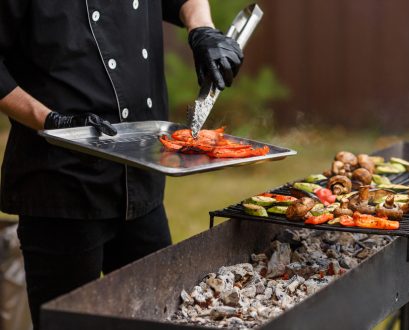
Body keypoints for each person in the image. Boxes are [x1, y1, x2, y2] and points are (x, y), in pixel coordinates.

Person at [0, 0, 243, 329]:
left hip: (141, 179)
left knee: (161, 313)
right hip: (62, 186)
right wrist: (49, 120)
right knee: (72, 322)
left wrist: (202, 29)